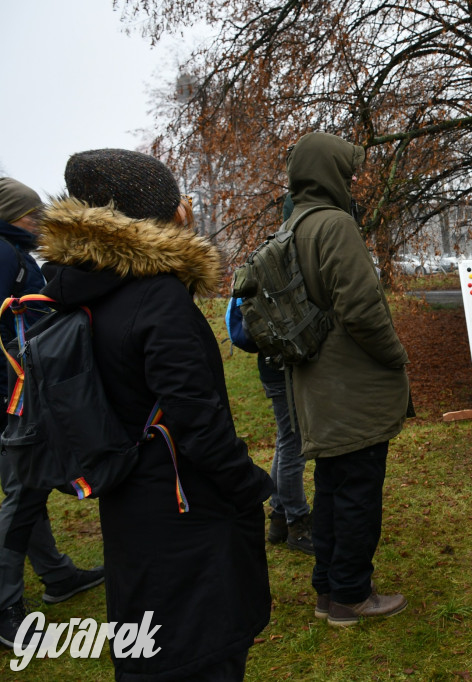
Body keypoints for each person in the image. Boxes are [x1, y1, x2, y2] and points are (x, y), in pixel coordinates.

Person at [35, 150, 274, 679]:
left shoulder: (84, 287)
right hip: (186, 513)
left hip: (131, 503)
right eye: (175, 202)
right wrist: (249, 486)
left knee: (151, 649)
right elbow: (199, 421)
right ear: (153, 216)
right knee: (199, 652)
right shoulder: (157, 298)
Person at [286, 132, 412, 626]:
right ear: (328, 173)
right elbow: (360, 309)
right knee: (358, 490)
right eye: (348, 170)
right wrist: (395, 355)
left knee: (333, 488)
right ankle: (352, 596)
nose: (354, 180)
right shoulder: (334, 225)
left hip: (318, 388)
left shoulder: (293, 224)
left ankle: (328, 591)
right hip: (352, 386)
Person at [0, 178, 105, 649]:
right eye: (30, 214)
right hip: (15, 394)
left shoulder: (15, 252)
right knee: (23, 492)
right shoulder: (4, 254)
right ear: (9, 215)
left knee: (29, 481)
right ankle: (4, 606)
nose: (37, 221)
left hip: (18, 390)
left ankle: (57, 575)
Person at [225, 194, 314, 555]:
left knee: (286, 440)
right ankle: (297, 523)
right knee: (293, 444)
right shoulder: (289, 255)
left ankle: (278, 517)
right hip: (286, 361)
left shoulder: (264, 251)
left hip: (270, 360)